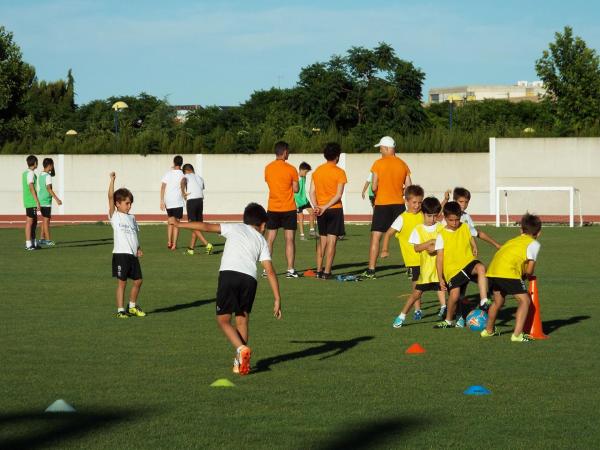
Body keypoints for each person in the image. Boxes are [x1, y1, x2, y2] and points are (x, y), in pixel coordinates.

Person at [176, 203, 282, 375]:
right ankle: (240, 361)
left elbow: (206, 226)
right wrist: (277, 298)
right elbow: (269, 270)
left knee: (223, 320)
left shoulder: (234, 227)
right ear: (262, 225)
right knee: (242, 319)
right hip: (250, 279)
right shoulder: (262, 240)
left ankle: (241, 349)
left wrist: (180, 224)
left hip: (229, 275)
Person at [481, 213, 542, 343]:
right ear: (539, 233)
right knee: (524, 301)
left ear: (521, 230)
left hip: (492, 271)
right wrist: (527, 276)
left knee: (498, 302)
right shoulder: (534, 244)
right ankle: (517, 335)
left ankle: (488, 331)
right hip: (507, 272)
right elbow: (530, 269)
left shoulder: (512, 240)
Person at [392, 197, 447, 327]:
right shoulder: (418, 229)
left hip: (440, 268)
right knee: (416, 294)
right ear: (423, 214)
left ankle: (447, 310)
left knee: (445, 289)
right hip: (426, 271)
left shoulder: (441, 227)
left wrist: (437, 247)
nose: (432, 219)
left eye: (435, 216)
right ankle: (402, 316)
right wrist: (429, 244)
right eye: (429, 216)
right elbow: (416, 248)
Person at [362, 136, 412, 279]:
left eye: (381, 148)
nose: (380, 151)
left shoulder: (378, 164)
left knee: (376, 236)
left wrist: (377, 192)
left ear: (387, 148)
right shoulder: (403, 164)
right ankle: (410, 267)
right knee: (405, 237)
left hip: (382, 204)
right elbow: (409, 186)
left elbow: (374, 185)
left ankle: (371, 270)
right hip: (398, 204)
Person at [433, 201, 489, 328]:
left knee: (481, 268)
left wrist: (474, 245)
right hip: (452, 270)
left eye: (457, 219)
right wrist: (440, 278)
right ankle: (448, 320)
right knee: (455, 296)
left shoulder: (465, 226)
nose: (454, 223)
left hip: (468, 262)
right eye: (451, 220)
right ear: (445, 218)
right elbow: (439, 259)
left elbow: (473, 235)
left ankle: (484, 300)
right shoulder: (441, 235)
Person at [380, 185, 425, 318]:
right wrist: (384, 249)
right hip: (412, 259)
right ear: (406, 201)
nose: (417, 205)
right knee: (417, 285)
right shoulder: (402, 218)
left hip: (428, 256)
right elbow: (388, 234)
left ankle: (444, 307)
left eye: (420, 202)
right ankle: (417, 309)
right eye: (414, 202)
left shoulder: (423, 214)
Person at [108, 172, 145, 319]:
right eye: (126, 203)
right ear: (118, 204)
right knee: (122, 283)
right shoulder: (115, 216)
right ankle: (120, 310)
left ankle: (132, 306)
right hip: (121, 255)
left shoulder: (132, 218)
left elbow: (134, 234)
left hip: (132, 255)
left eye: (130, 203)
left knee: (138, 281)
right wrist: (112, 181)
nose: (129, 206)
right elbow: (110, 197)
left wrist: (138, 248)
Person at [309, 143, 348, 279]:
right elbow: (338, 195)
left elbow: (311, 192)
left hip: (321, 211)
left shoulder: (317, 171)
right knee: (332, 241)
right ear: (337, 157)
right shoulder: (340, 172)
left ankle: (319, 270)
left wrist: (316, 206)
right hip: (334, 209)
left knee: (322, 240)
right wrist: (325, 206)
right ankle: (327, 272)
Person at [264, 141, 300, 278]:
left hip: (273, 207)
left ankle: (266, 270)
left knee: (270, 239)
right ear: (285, 152)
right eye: (288, 151)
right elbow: (296, 189)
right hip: (288, 208)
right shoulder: (291, 169)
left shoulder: (268, 168)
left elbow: (270, 183)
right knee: (289, 239)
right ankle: (290, 270)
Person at [181, 163, 213, 255]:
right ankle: (191, 249)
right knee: (197, 225)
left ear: (186, 171)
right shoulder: (199, 177)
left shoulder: (186, 176)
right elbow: (202, 188)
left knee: (192, 224)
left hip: (192, 201)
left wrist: (183, 192)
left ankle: (207, 244)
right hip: (200, 201)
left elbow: (183, 181)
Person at [160, 155, 185, 250]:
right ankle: (174, 244)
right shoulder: (183, 174)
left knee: (170, 221)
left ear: (174, 163)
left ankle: (169, 241)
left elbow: (163, 187)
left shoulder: (168, 173)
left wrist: (162, 201)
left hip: (168, 201)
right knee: (177, 223)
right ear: (181, 163)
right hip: (178, 201)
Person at [38, 158, 63, 246]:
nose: (53, 167)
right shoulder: (47, 176)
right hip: (46, 201)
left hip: (41, 200)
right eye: (52, 165)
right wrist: (57, 199)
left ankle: (42, 239)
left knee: (44, 220)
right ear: (49, 165)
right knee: (46, 221)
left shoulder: (41, 174)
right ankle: (48, 240)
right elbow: (49, 189)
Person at [22, 155, 41, 251]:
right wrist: (37, 201)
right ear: (35, 163)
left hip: (29, 201)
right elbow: (31, 187)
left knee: (34, 222)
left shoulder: (26, 173)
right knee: (30, 223)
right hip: (31, 201)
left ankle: (33, 242)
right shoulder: (30, 174)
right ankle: (28, 244)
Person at [295, 162, 315, 241]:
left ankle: (312, 230)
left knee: (312, 212)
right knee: (301, 218)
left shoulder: (303, 177)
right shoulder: (295, 178)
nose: (306, 174)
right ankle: (302, 235)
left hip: (304, 200)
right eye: (306, 172)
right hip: (298, 201)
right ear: (301, 170)